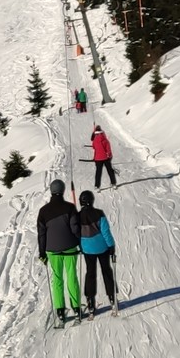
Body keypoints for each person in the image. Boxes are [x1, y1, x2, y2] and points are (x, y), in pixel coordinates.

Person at [37, 180, 84, 323]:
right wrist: (81, 244)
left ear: (51, 191)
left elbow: (41, 234)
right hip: (70, 247)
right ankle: (76, 308)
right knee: (72, 276)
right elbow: (75, 229)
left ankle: (60, 311)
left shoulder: (43, 211)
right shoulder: (70, 208)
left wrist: (42, 253)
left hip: (52, 250)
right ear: (63, 190)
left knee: (57, 279)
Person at [77, 190, 119, 315]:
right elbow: (106, 232)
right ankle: (112, 298)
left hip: (87, 249)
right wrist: (111, 246)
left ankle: (90, 303)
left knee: (90, 273)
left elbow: (76, 233)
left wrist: (81, 246)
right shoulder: (99, 213)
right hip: (102, 248)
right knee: (106, 271)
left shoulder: (77, 216)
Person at [89, 124, 118, 189]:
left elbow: (93, 147)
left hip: (98, 158)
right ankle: (113, 183)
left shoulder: (95, 140)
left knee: (98, 172)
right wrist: (110, 156)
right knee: (110, 170)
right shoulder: (105, 139)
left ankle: (97, 186)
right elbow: (108, 149)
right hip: (106, 158)